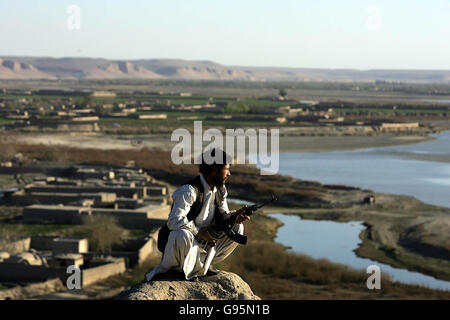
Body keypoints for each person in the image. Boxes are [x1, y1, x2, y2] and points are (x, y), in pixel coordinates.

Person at [144, 148, 251, 281]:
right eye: (226, 169)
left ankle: (203, 265)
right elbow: (174, 221)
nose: (229, 174)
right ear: (214, 170)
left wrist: (235, 216)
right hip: (182, 242)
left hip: (205, 241)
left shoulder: (220, 190)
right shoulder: (189, 191)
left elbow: (223, 216)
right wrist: (198, 232)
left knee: (237, 228)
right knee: (181, 233)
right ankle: (178, 269)